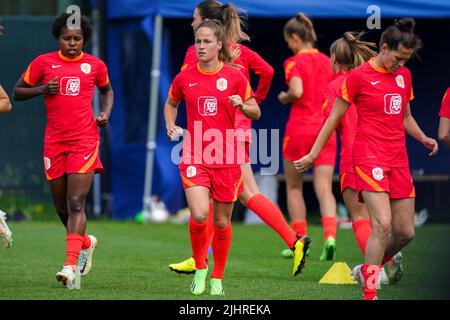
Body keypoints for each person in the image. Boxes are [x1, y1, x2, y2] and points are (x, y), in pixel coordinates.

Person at [294, 18, 438, 300]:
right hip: (368, 156)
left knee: (406, 232)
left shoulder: (403, 77)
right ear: (384, 48)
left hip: (398, 158)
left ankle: (366, 268)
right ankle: (369, 293)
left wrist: (422, 137)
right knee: (381, 225)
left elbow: (405, 116)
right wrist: (313, 154)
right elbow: (332, 119)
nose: (401, 65)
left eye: (406, 60)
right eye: (397, 58)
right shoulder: (358, 77)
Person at [169, 0, 310, 277]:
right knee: (237, 194)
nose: (192, 24)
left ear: (209, 23)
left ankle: (293, 241)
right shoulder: (239, 50)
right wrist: (255, 100)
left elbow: (186, 84)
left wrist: (252, 101)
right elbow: (268, 72)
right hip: (239, 127)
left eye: (195, 19)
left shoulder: (197, 51)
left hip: (218, 132)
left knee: (240, 192)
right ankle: (203, 256)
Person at [13, 12, 114, 288]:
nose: (72, 43)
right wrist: (43, 89)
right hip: (54, 142)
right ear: (58, 37)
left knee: (76, 203)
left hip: (84, 140)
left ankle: (70, 265)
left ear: (85, 40)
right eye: (67, 38)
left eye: (77, 39)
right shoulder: (43, 63)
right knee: (61, 207)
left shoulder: (95, 65)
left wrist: (104, 112)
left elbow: (107, 91)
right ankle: (85, 243)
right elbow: (17, 92)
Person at [164, 19, 261, 295]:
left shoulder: (234, 77)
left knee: (221, 222)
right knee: (199, 212)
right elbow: (171, 103)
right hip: (195, 153)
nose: (201, 46)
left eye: (207, 41)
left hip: (227, 157)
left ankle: (217, 277)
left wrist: (243, 105)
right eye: (198, 41)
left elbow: (256, 111)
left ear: (220, 45)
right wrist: (170, 124)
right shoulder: (185, 77)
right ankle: (200, 267)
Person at [278, 13, 336, 261]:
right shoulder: (327, 61)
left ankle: (300, 241)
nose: (288, 45)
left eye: (288, 41)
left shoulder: (293, 62)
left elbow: (297, 90)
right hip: (325, 129)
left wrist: (285, 97)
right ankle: (330, 236)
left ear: (294, 38)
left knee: (293, 187)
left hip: (300, 129)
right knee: (324, 188)